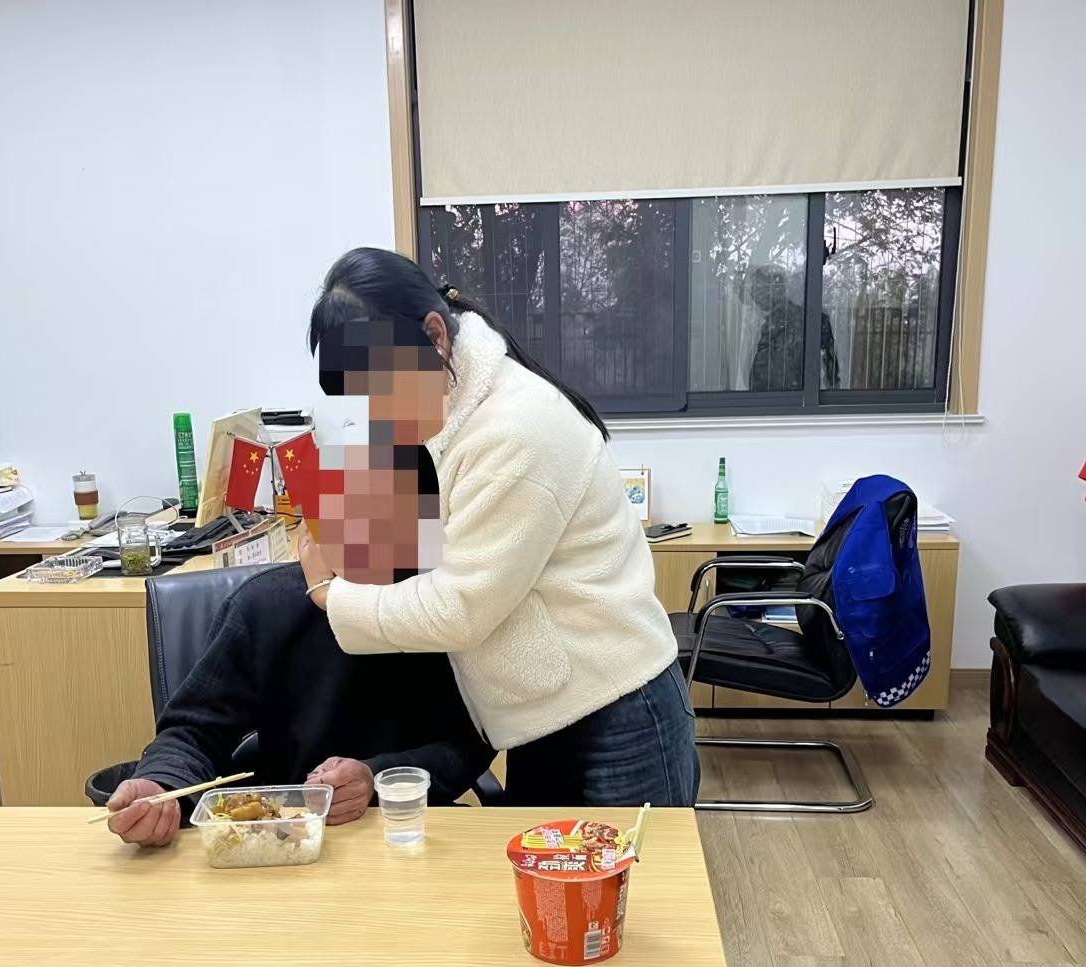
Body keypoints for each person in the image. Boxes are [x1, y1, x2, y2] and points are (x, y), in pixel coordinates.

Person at [295, 247, 700, 807]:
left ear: (434, 335)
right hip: (539, 711)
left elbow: (461, 607)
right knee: (541, 867)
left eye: (380, 388)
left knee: (637, 867)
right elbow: (434, 545)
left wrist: (329, 593)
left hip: (617, 710)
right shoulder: (451, 413)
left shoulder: (515, 428)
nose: (378, 413)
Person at [105, 525, 492, 846]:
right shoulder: (266, 605)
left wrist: (376, 775)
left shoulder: (440, 610)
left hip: (411, 829)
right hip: (286, 836)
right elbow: (194, 730)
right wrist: (162, 783)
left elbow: (472, 742)